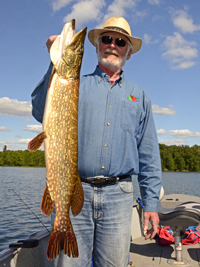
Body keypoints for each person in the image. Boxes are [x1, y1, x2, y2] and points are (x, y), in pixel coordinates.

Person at [31, 16, 162, 267]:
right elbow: (39, 111)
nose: (113, 45)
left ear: (129, 52)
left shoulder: (139, 97)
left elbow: (148, 156)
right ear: (97, 45)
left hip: (120, 195)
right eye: (107, 39)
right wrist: (54, 62)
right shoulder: (74, 83)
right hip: (73, 189)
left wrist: (152, 204)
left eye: (120, 42)